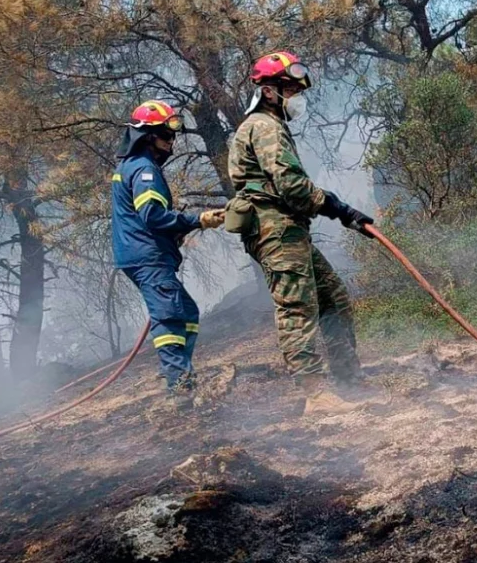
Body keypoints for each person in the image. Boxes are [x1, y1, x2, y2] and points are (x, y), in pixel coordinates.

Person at [225, 51, 374, 415]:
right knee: (298, 308)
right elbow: (291, 185)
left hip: (290, 229)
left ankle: (349, 381)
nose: (297, 97)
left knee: (332, 297)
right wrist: (337, 207)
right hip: (275, 230)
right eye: (291, 89)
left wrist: (338, 209)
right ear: (271, 91)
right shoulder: (263, 126)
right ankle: (316, 395)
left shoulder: (271, 126)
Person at [111, 100, 225, 408]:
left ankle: (182, 378)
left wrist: (181, 228)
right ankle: (179, 389)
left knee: (186, 312)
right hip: (148, 257)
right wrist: (196, 219)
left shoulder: (128, 167)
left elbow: (144, 218)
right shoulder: (145, 170)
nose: (171, 142)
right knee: (171, 317)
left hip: (141, 254)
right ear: (148, 136)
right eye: (166, 135)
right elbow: (152, 215)